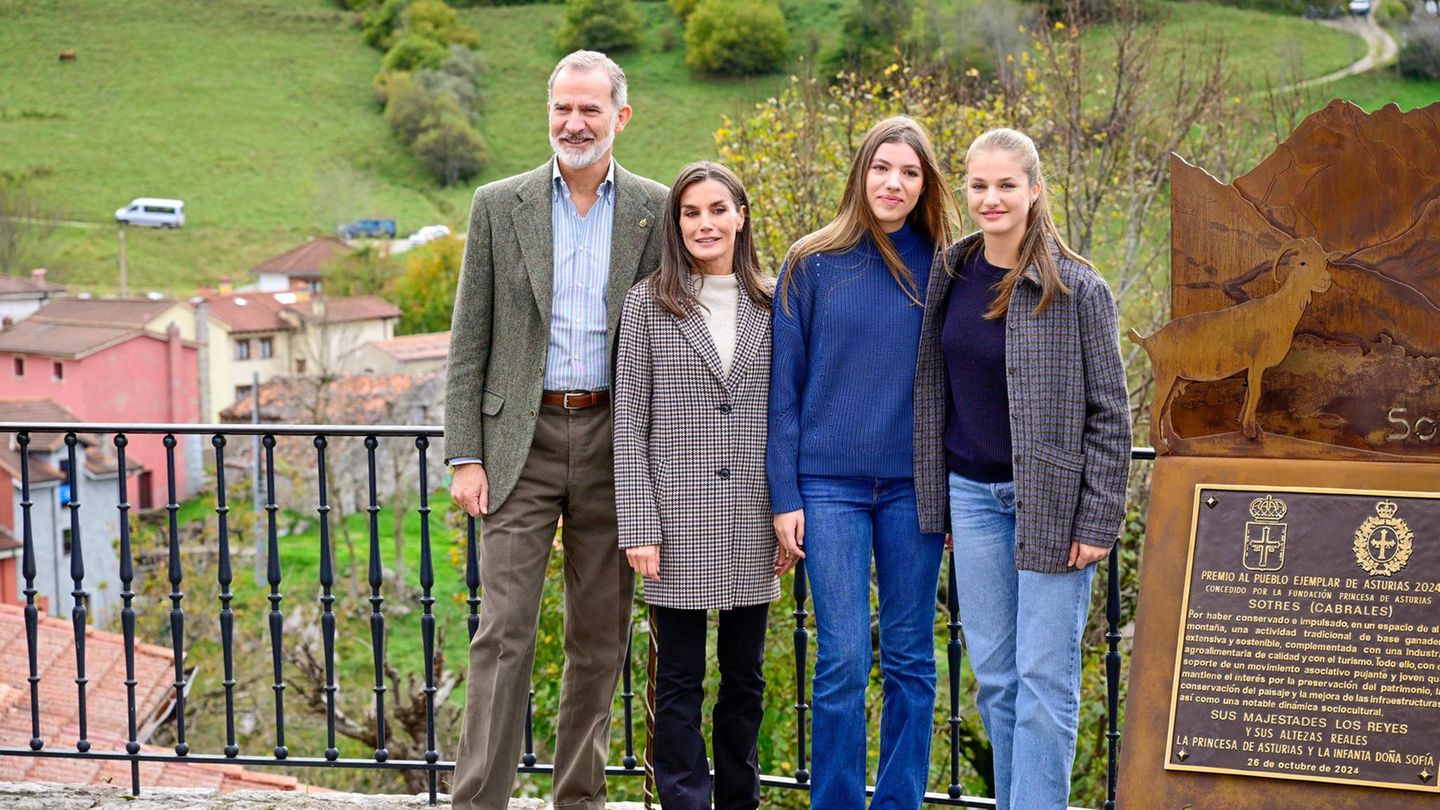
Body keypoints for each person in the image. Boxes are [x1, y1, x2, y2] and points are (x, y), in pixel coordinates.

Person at [444, 50, 669, 810]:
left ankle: (580, 799)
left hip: (616, 443)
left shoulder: (657, 207)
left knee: (600, 641)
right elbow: (468, 338)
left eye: (591, 110)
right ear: (548, 113)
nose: (574, 123)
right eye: (562, 109)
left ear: (620, 117)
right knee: (503, 634)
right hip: (520, 445)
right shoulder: (496, 204)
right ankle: (480, 800)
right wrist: (464, 454)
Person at [912, 127, 1131, 810]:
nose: (991, 198)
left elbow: (1112, 415)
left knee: (1044, 679)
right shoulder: (949, 272)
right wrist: (937, 506)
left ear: (1035, 190)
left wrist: (1098, 519)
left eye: (1007, 184)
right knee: (998, 680)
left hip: (1054, 506)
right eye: (979, 185)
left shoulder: (1078, 289)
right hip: (971, 501)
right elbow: (930, 394)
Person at [768, 116, 961, 810]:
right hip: (828, 489)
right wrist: (783, 495)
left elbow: (963, 386)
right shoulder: (810, 263)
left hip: (915, 491)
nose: (894, 182)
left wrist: (952, 497)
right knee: (843, 659)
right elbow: (781, 393)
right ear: (862, 174)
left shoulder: (948, 267)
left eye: (910, 171)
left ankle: (901, 801)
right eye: (883, 167)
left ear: (925, 184)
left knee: (912, 659)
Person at [612, 161, 782, 810]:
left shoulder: (775, 302)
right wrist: (641, 526)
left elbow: (787, 415)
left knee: (746, 679)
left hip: (753, 521)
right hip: (675, 526)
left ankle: (741, 801)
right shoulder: (648, 305)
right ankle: (683, 801)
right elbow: (629, 424)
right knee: (678, 680)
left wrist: (786, 513)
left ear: (741, 215)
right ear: (675, 226)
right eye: (691, 213)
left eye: (717, 209)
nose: (705, 223)